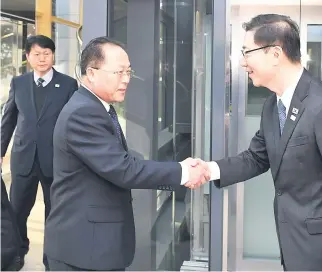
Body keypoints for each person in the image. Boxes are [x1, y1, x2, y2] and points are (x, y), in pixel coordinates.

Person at [195, 14, 322, 271]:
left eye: (246, 52)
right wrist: (209, 169)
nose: (241, 62)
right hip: (296, 249)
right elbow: (257, 157)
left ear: (275, 53)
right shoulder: (273, 106)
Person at [43, 36, 209, 271]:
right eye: (118, 72)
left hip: (93, 246)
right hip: (83, 251)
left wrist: (178, 171)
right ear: (91, 72)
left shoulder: (97, 108)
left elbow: (123, 160)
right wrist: (182, 172)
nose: (126, 80)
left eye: (129, 72)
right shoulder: (83, 113)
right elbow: (123, 169)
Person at [0, 35, 78, 269]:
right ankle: (16, 254)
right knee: (16, 212)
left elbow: (74, 123)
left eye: (46, 53)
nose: (42, 58)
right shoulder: (19, 83)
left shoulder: (68, 85)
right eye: (36, 54)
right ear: (28, 57)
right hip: (23, 159)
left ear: (53, 56)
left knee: (55, 213)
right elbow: (8, 121)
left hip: (55, 160)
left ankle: (51, 259)